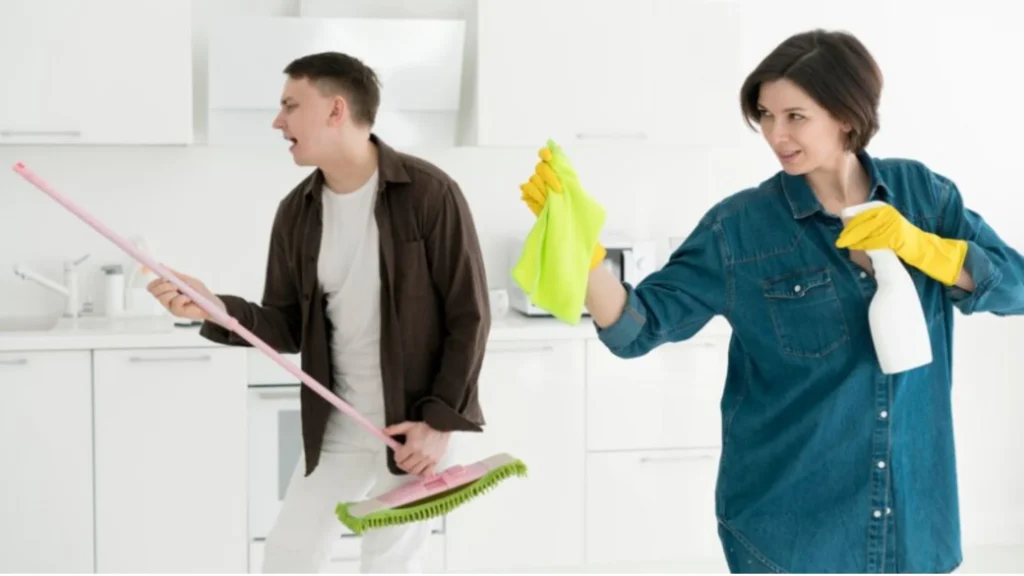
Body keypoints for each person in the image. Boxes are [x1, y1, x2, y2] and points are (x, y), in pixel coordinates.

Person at [521, 29, 1024, 573]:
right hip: (790, 531)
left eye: (795, 116)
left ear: (846, 115)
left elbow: (1015, 289)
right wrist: (584, 256)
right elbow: (636, 331)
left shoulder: (925, 196)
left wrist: (923, 247)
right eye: (765, 115)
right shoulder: (739, 228)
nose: (774, 134)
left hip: (914, 520)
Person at [148, 51, 490, 573]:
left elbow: (470, 314)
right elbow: (283, 324)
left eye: (290, 105)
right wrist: (214, 307)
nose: (277, 121)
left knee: (391, 560)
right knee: (289, 554)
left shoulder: (429, 193)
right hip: (336, 422)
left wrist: (438, 422)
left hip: (412, 427)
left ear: (335, 110)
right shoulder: (297, 212)